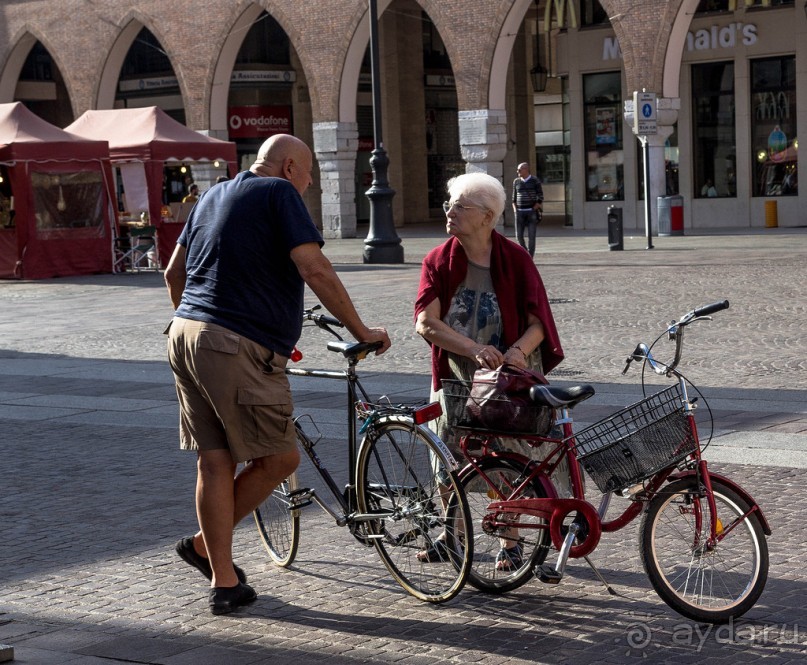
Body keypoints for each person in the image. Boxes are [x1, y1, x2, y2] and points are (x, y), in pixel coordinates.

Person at [163, 134, 391, 615]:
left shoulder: (214, 193)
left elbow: (173, 273)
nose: (307, 187)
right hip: (231, 342)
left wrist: (203, 324)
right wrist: (362, 330)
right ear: (290, 167)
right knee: (280, 459)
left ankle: (223, 580)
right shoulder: (279, 193)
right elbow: (315, 269)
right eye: (309, 177)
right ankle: (206, 548)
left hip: (184, 335)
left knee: (215, 460)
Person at [414, 172, 564, 570]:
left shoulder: (515, 258)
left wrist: (515, 352)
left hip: (507, 377)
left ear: (487, 216)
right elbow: (425, 324)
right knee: (447, 459)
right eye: (450, 204)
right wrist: (475, 348)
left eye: (460, 206)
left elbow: (539, 324)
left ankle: (510, 542)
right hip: (456, 377)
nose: (450, 212)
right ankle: (453, 537)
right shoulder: (438, 260)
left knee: (508, 457)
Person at [511, 162, 544, 258]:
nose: (518, 171)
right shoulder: (516, 181)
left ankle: (530, 257)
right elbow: (513, 198)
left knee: (531, 237)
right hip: (519, 212)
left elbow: (540, 196)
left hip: (531, 212)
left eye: (520, 170)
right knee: (519, 236)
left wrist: (534, 208)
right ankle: (526, 254)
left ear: (526, 169)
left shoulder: (535, 180)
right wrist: (515, 210)